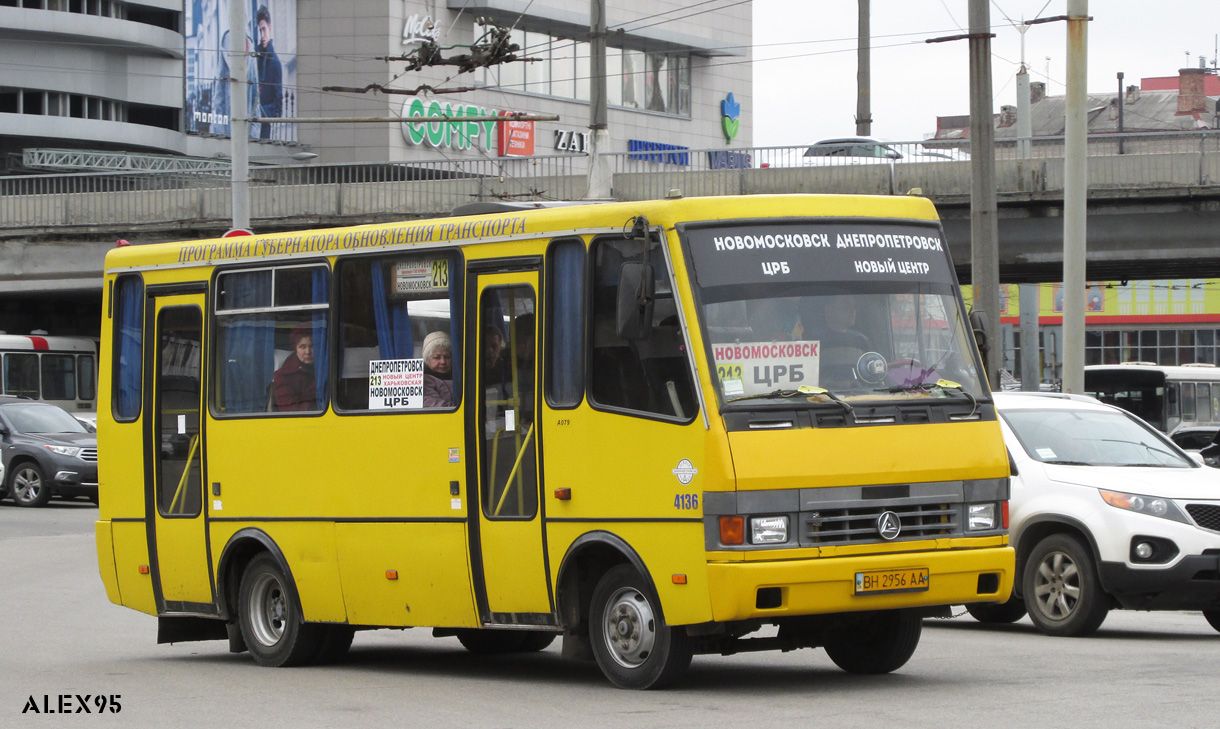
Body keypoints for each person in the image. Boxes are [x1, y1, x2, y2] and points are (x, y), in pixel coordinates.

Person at [255, 5, 282, 140]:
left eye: (264, 29)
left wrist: (262, 111)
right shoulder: (257, 56)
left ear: (270, 28)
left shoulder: (274, 62)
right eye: (260, 31)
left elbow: (278, 101)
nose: (262, 35)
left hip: (263, 124)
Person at [273, 325, 316, 411]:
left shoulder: (326, 370)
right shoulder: (283, 376)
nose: (307, 352)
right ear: (295, 349)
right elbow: (290, 409)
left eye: (312, 346)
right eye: (302, 347)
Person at [421, 330, 454, 408]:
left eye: (447, 357)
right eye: (437, 357)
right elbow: (438, 407)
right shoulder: (425, 380)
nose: (443, 362)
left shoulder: (460, 376)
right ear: (427, 360)